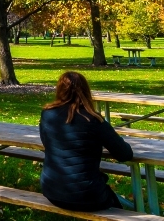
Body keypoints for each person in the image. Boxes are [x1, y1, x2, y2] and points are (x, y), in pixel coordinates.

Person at [39, 71, 133, 212]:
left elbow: (46, 143)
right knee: (115, 205)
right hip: (86, 194)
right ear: (86, 91)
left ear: (59, 90)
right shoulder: (93, 120)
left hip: (51, 190)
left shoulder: (47, 114)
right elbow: (125, 154)